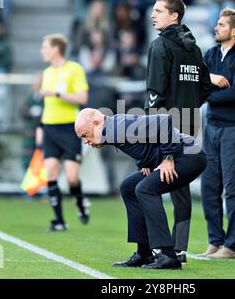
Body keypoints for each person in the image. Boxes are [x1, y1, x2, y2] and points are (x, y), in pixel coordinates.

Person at [74, 108, 207, 270]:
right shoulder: (110, 130)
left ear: (97, 123)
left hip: (189, 155)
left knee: (144, 189)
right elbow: (143, 142)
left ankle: (168, 255)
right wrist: (145, 163)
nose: (85, 141)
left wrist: (168, 158)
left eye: (85, 135)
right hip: (177, 155)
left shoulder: (117, 126)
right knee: (129, 187)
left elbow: (165, 121)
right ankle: (144, 253)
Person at [144, 0, 212, 263]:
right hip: (190, 124)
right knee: (180, 188)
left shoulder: (160, 46)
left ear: (174, 16)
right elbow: (206, 87)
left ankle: (157, 248)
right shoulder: (193, 48)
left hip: (165, 124)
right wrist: (190, 106)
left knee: (145, 186)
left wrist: (151, 132)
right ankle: (179, 248)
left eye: (159, 10)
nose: (153, 14)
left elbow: (154, 96)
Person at [199, 8, 235, 259]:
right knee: (209, 187)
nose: (215, 27)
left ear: (234, 31)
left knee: (233, 190)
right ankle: (215, 242)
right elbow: (195, 85)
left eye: (221, 25)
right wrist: (211, 78)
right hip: (211, 128)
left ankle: (231, 246)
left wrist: (208, 95)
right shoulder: (210, 55)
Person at [39, 33, 91, 231]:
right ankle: (59, 221)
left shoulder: (74, 69)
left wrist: (58, 93)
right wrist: (39, 128)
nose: (42, 51)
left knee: (71, 177)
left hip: (69, 128)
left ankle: (80, 201)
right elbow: (45, 104)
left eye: (45, 47)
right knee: (51, 171)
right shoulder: (47, 72)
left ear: (55, 49)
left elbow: (82, 97)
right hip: (50, 127)